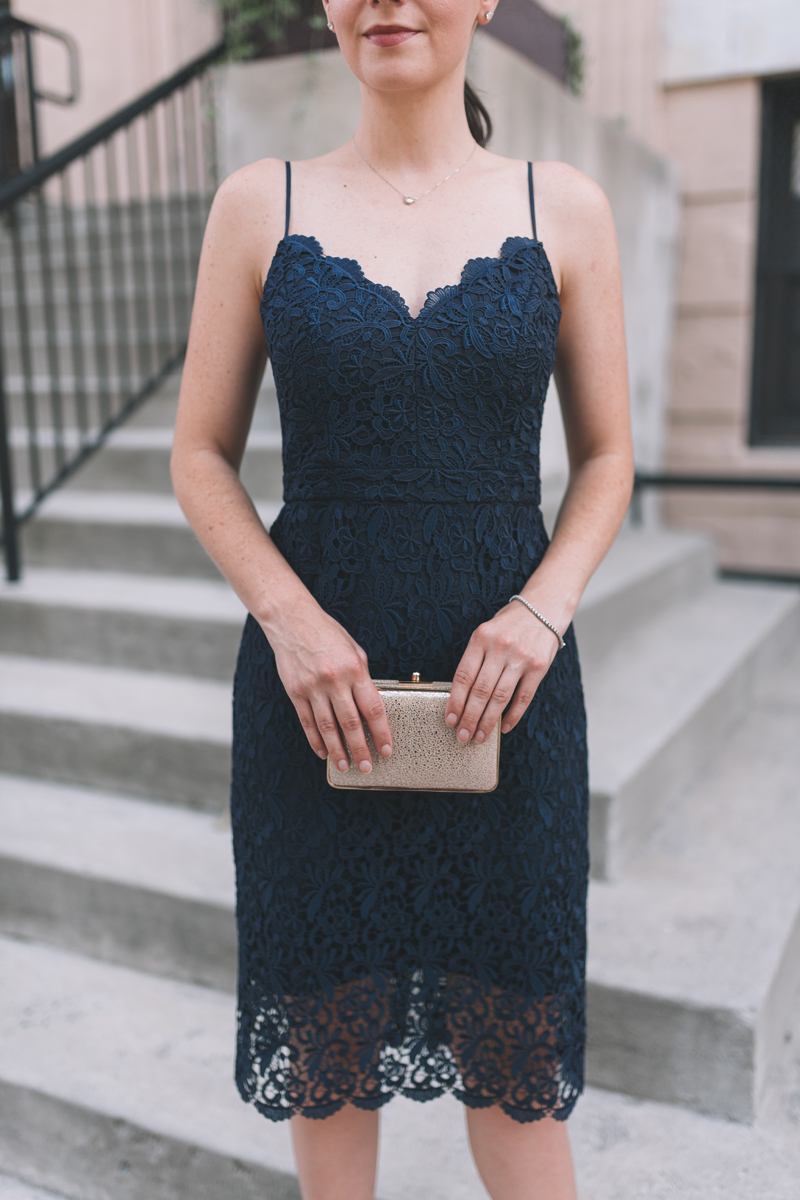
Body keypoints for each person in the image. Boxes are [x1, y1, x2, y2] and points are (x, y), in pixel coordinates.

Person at [171, 1, 633, 1196]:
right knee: (328, 1070)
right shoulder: (255, 202)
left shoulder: (562, 206)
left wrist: (542, 609)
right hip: (311, 709)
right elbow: (198, 454)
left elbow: (606, 459)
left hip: (510, 713)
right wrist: (290, 618)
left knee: (518, 1083)